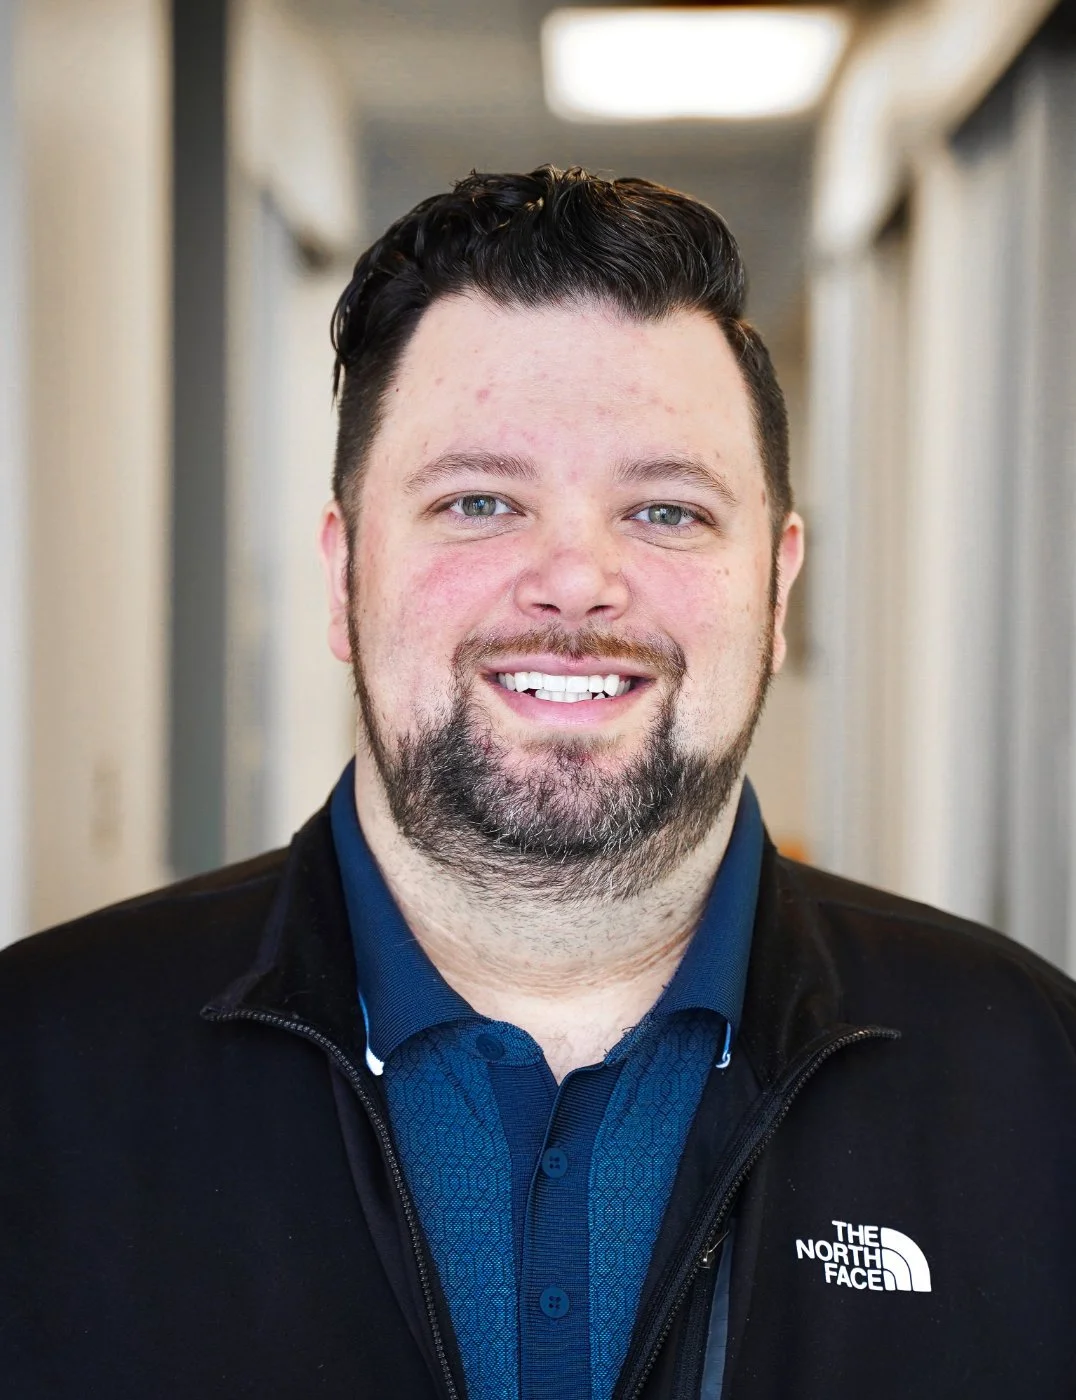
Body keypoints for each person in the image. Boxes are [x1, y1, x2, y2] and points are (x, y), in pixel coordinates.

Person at [3, 166, 1076, 1400]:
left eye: (665, 511)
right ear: (344, 566)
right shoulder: (33, 1078)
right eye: (477, 501)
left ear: (776, 588)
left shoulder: (1034, 1089)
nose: (575, 582)